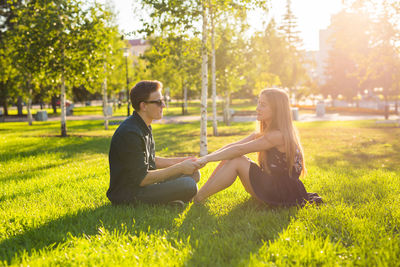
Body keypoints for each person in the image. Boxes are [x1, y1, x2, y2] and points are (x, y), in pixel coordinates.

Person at [194, 88, 321, 206]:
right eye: (258, 103)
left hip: (281, 193)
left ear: (276, 110)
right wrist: (206, 157)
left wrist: (206, 160)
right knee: (230, 156)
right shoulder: (264, 134)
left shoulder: (277, 135)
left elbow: (240, 150)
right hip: (271, 186)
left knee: (237, 160)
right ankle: (198, 196)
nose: (257, 108)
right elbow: (233, 146)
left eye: (263, 105)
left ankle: (197, 198)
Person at [107, 80, 200, 205]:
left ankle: (168, 201)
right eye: (158, 102)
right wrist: (180, 168)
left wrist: (182, 161)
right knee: (188, 184)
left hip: (144, 186)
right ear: (143, 106)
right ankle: (166, 202)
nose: (163, 105)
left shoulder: (143, 125)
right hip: (129, 194)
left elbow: (151, 160)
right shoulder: (130, 133)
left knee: (194, 173)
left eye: (163, 100)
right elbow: (142, 179)